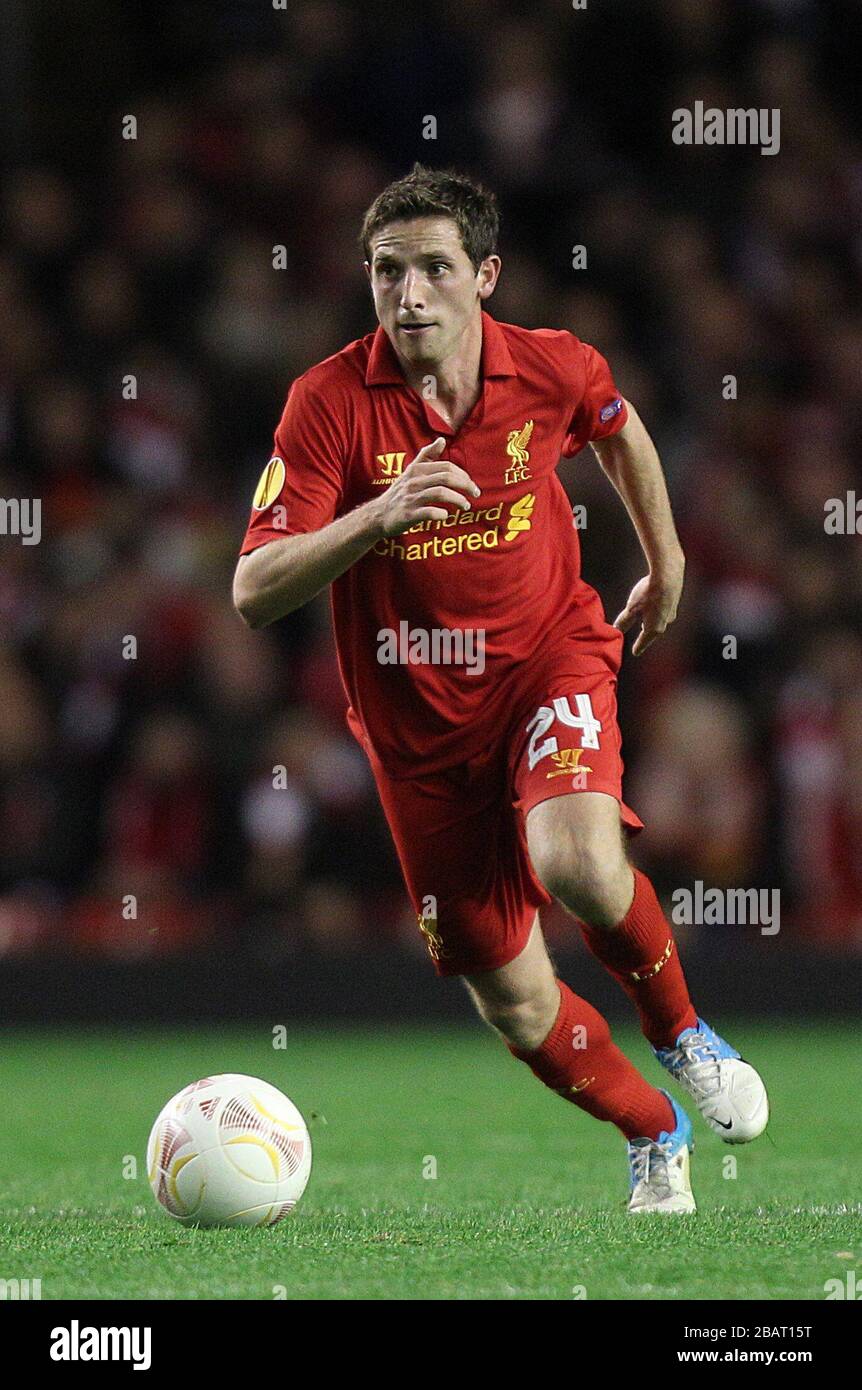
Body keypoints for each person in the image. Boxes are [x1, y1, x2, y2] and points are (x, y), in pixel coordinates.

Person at [233, 164, 768, 1213]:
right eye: (388, 272)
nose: (410, 294)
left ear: (485, 276)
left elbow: (616, 426)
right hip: (416, 735)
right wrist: (373, 519)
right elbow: (253, 589)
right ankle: (652, 1129)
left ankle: (682, 1032)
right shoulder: (327, 403)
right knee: (517, 1002)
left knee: (572, 857)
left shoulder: (550, 367)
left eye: (435, 268)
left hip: (544, 663)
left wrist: (664, 558)